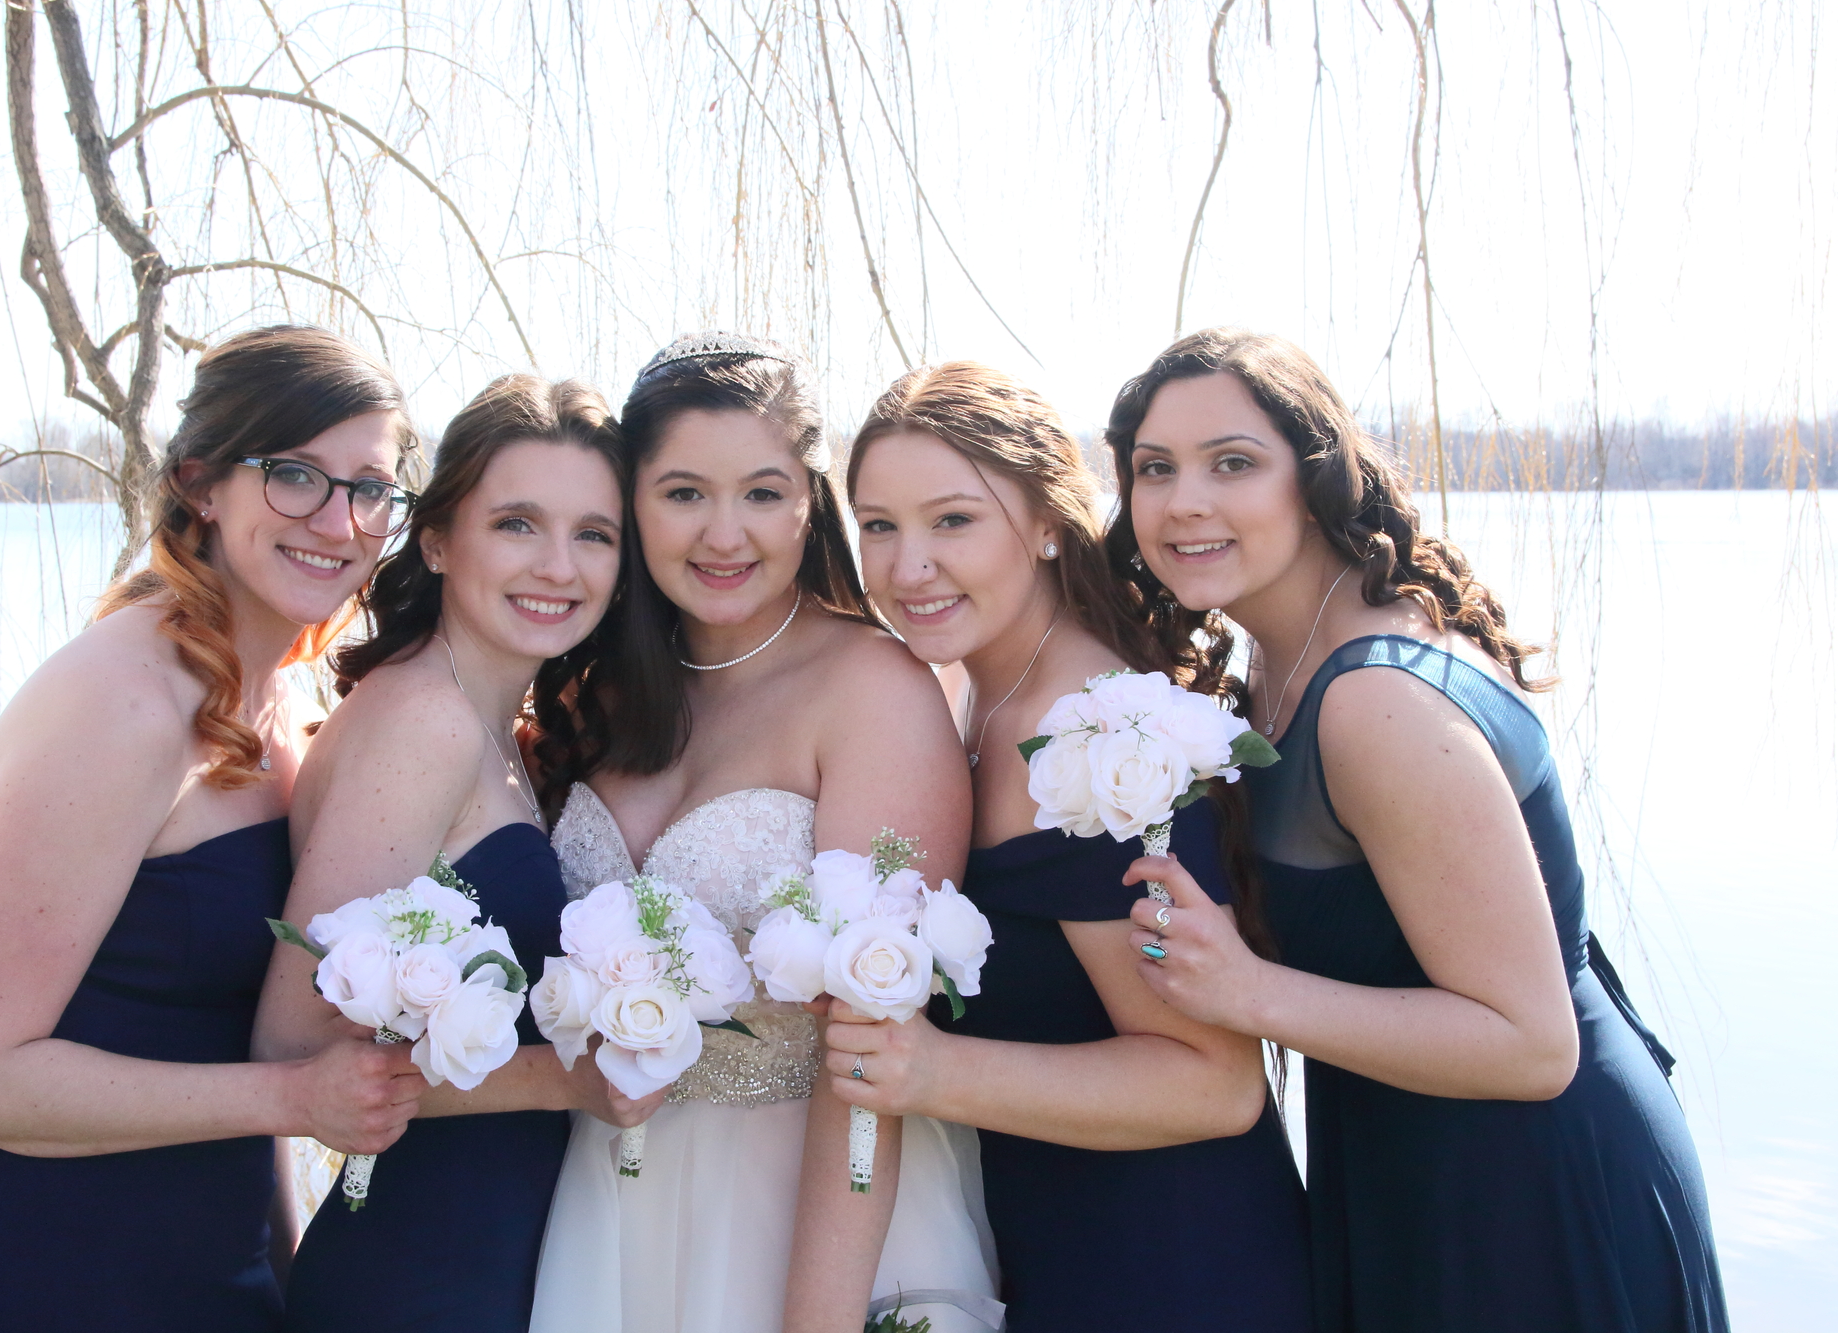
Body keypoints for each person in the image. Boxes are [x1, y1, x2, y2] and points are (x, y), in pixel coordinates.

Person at [1109, 327, 1729, 1332]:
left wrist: (1244, 990)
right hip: (1410, 1154)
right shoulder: (1275, 666)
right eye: (1153, 469)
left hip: (1524, 1188)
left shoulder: (1373, 704)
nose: (1183, 500)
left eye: (1231, 463)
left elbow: (1531, 1044)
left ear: (1312, 482)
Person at [0, 326, 429, 1332]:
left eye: (371, 488)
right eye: (296, 474)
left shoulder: (283, 705)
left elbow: (230, 1039)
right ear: (203, 484)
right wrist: (299, 1100)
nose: (338, 520)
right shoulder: (120, 698)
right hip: (36, 1269)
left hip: (206, 1263)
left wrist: (280, 1264)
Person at [827, 362, 1314, 1332]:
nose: (905, 565)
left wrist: (927, 1071)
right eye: (877, 525)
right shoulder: (976, 694)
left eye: (951, 520)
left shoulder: (1095, 735)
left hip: (1172, 1270)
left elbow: (1211, 1080)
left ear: (1049, 521)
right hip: (1052, 1242)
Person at [529, 333, 998, 1333]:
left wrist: (814, 1319)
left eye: (761, 492)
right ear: (632, 500)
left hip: (808, 1207)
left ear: (806, 503)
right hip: (603, 1201)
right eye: (684, 492)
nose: (722, 535)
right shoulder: (590, 693)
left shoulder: (873, 691)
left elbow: (873, 1034)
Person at [259, 374, 651, 1331]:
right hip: (422, 1273)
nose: (559, 565)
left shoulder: (494, 727)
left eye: (593, 534)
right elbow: (296, 1044)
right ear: (436, 540)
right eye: (518, 523)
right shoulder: (421, 726)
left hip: (499, 1250)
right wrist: (576, 1076)